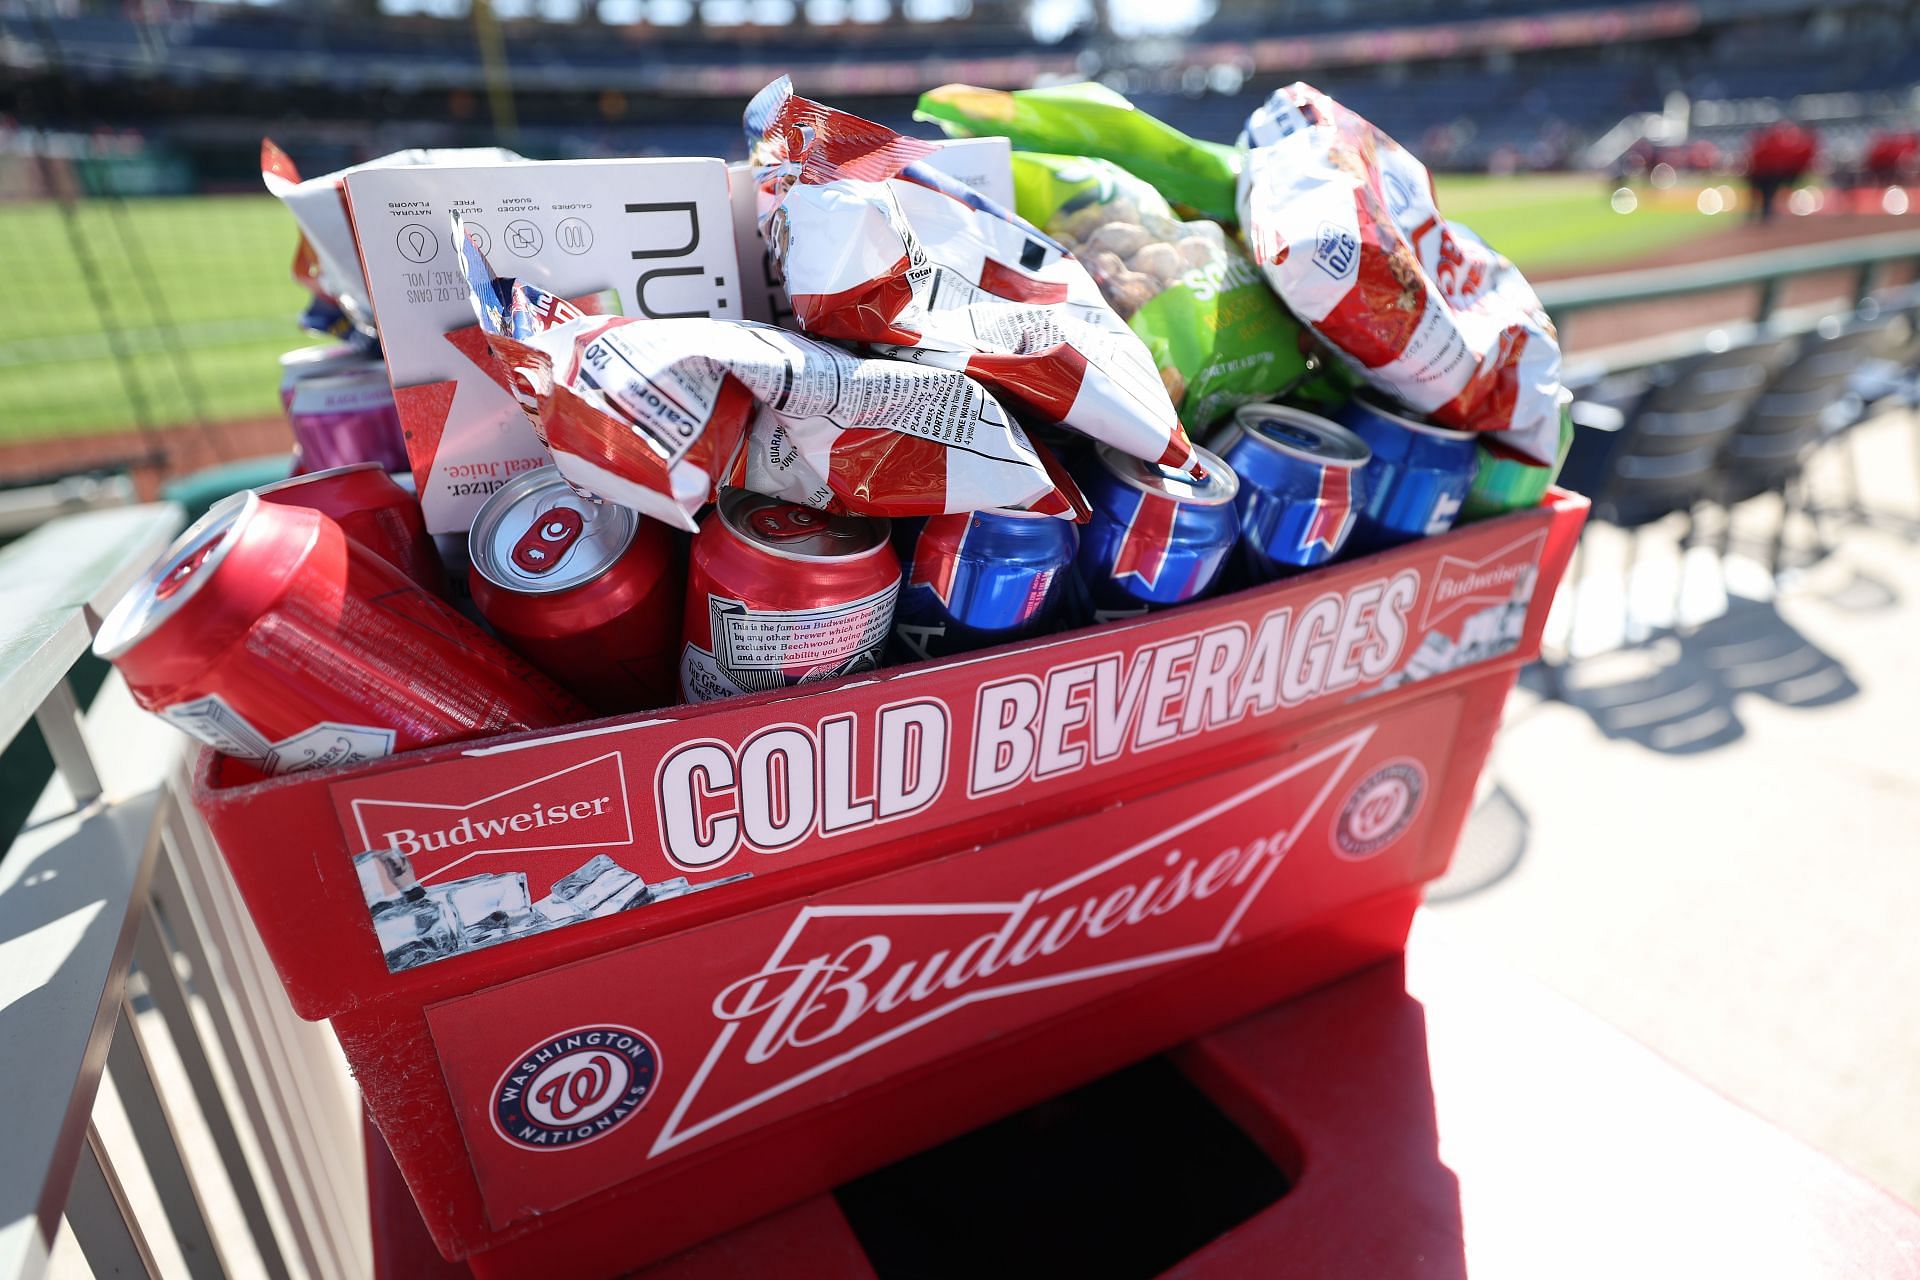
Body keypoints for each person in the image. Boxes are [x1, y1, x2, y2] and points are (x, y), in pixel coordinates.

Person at [1745, 119, 1819, 222]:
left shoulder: (1766, 144)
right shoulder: (1768, 144)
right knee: (1762, 196)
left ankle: (1765, 214)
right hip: (1763, 174)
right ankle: (1762, 214)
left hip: (1767, 174)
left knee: (1765, 196)